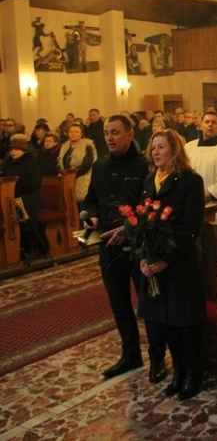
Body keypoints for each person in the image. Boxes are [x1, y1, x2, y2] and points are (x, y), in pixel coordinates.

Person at [82, 115, 165, 379]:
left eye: (115, 132)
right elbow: (91, 200)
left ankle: (157, 357)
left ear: (130, 134)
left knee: (147, 303)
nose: (109, 138)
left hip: (139, 245)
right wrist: (92, 215)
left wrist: (129, 230)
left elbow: (153, 206)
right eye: (106, 133)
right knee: (118, 303)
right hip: (108, 244)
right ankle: (130, 355)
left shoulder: (145, 167)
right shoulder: (100, 166)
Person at [139, 129, 206, 399]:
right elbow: (139, 222)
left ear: (175, 150)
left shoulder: (190, 181)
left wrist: (166, 260)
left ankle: (194, 374)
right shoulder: (148, 181)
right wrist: (144, 256)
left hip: (180, 264)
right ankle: (178, 372)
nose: (155, 152)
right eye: (153, 147)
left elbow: (191, 227)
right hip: (154, 264)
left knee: (185, 324)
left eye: (161, 147)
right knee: (165, 323)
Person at [1, 135, 42, 258]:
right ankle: (14, 248)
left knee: (26, 223)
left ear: (24, 151)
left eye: (17, 149)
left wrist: (15, 190)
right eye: (12, 149)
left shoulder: (30, 163)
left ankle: (31, 248)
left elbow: (31, 183)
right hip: (10, 197)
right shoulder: (8, 164)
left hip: (26, 198)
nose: (13, 152)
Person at [59, 122, 97, 204]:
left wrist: (73, 173)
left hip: (81, 179)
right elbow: (62, 162)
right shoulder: (65, 147)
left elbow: (87, 165)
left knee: (81, 205)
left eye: (76, 132)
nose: (73, 134)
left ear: (81, 134)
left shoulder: (87, 146)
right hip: (67, 180)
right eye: (71, 132)